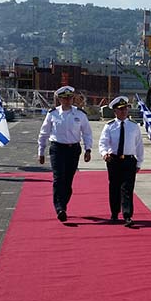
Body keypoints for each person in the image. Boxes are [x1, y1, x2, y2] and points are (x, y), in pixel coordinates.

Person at [37, 86, 93, 222]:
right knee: (58, 178)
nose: (67, 100)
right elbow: (44, 133)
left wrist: (88, 149)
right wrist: (41, 151)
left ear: (73, 98)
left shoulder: (80, 114)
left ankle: (63, 204)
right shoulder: (53, 114)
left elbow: (87, 133)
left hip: (73, 150)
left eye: (70, 98)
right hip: (57, 149)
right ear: (60, 99)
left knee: (68, 181)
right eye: (64, 98)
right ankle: (60, 208)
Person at [99, 96, 144, 227]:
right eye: (121, 109)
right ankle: (114, 213)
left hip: (129, 160)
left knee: (127, 188)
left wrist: (139, 162)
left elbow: (139, 145)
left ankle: (127, 215)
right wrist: (104, 153)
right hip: (113, 160)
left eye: (125, 109)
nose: (124, 111)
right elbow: (103, 142)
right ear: (115, 111)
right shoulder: (109, 126)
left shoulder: (134, 126)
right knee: (114, 187)